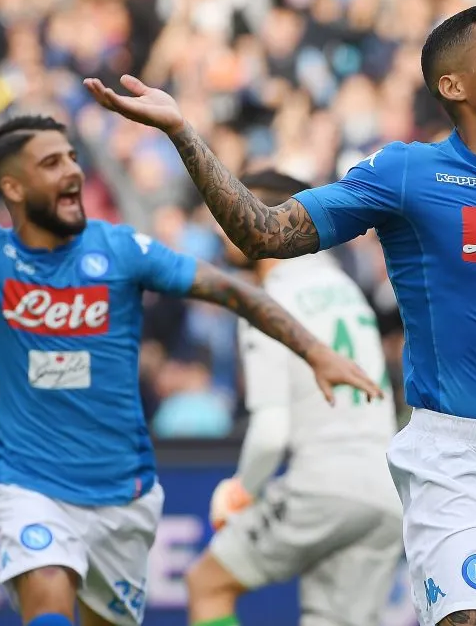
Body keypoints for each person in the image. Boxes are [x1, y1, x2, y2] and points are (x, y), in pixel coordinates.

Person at [84, 1, 476, 626]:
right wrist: (183, 132)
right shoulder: (408, 174)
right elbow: (265, 233)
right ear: (454, 85)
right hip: (458, 458)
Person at [0, 78, 379, 626]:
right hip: (29, 482)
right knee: (46, 594)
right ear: (12, 188)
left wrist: (313, 351)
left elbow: (235, 290)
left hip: (122, 494)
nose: (72, 172)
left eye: (71, 157)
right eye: (51, 164)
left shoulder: (121, 249)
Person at [184, 169, 404, 626]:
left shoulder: (271, 299)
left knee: (207, 585)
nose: (223, 227)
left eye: (231, 213)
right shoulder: (346, 288)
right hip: (387, 491)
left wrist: (240, 491)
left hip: (323, 483)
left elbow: (270, 432)